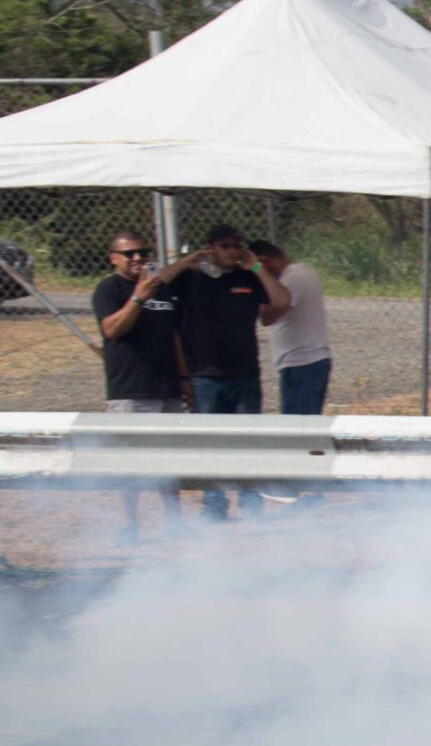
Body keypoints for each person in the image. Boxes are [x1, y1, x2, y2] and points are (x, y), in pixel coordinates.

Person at [169, 224, 289, 518]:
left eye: (236, 245)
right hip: (204, 375)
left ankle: (249, 501)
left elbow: (282, 300)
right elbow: (157, 281)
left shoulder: (249, 277)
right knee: (210, 443)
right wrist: (188, 260)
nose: (232, 251)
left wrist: (257, 265)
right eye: (224, 245)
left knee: (248, 440)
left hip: (244, 373)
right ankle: (214, 504)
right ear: (211, 247)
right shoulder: (192, 278)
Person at [91, 231, 186, 539]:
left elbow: (173, 337)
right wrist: (137, 298)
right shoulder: (108, 289)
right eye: (129, 253)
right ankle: (130, 525)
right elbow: (112, 329)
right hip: (131, 389)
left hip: (167, 386)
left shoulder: (160, 289)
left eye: (141, 253)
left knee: (169, 459)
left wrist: (184, 379)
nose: (137, 259)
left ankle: (175, 522)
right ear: (113, 258)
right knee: (130, 462)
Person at [254, 240, 331, 415]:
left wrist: (260, 277)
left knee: (297, 422)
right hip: (304, 361)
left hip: (302, 362)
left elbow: (268, 317)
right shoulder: (303, 271)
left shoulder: (293, 278)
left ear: (265, 261)